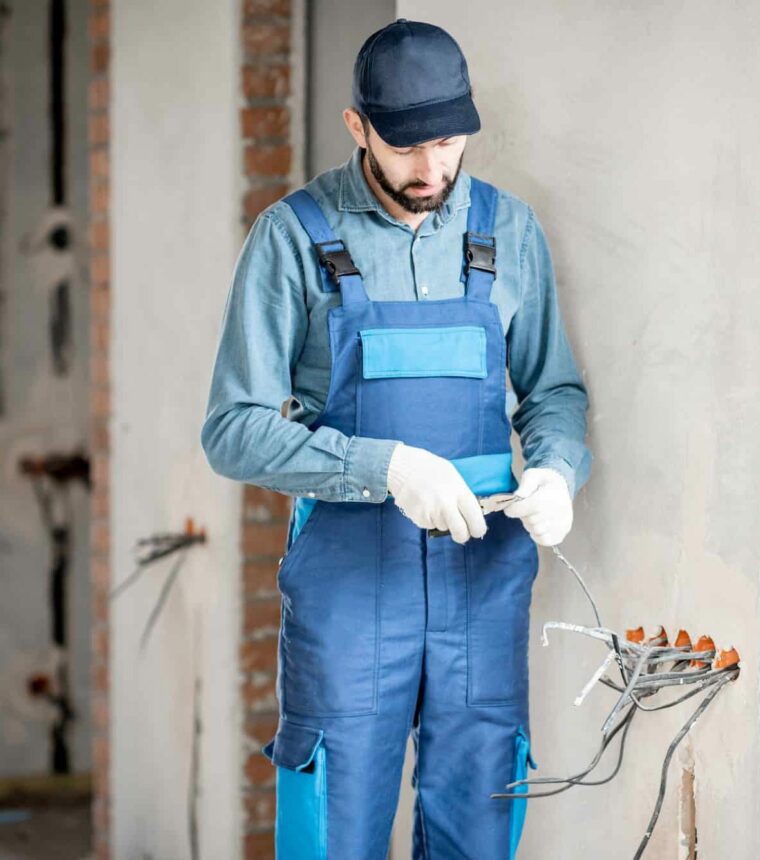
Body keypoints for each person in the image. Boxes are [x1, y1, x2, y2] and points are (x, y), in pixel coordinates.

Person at [200, 17, 591, 860]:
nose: (431, 170)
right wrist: (384, 467)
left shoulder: (509, 232)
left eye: (448, 144)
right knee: (334, 826)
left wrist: (558, 468)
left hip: (482, 581)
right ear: (357, 127)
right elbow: (231, 431)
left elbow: (553, 390)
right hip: (349, 583)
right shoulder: (292, 239)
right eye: (407, 148)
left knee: (479, 823)